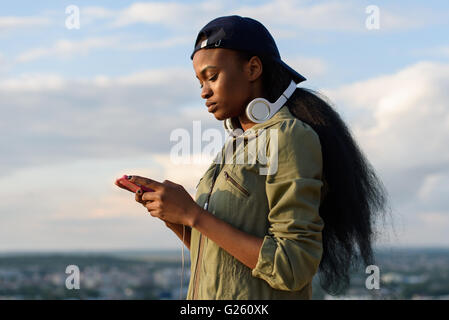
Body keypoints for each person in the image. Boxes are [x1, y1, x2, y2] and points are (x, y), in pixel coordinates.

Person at [126, 15, 390, 299]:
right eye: (199, 81)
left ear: (252, 68)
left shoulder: (289, 137)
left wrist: (194, 214)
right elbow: (223, 259)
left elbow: (292, 266)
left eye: (212, 77)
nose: (204, 91)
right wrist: (176, 217)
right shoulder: (233, 147)